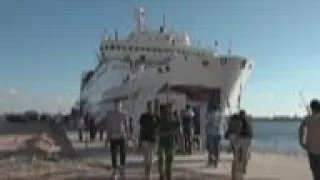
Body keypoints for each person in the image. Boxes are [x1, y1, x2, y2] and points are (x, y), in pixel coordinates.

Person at [98, 99, 130, 178]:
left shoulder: (124, 114)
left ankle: (122, 171)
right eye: (116, 105)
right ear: (113, 106)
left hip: (122, 137)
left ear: (121, 106)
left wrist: (128, 137)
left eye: (119, 105)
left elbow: (127, 126)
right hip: (113, 137)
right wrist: (107, 139)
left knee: (123, 154)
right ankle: (114, 171)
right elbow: (108, 127)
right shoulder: (110, 115)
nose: (117, 107)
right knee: (113, 155)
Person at [156, 103, 180, 180]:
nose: (170, 110)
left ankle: (168, 176)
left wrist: (179, 142)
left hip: (171, 144)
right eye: (168, 108)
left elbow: (179, 132)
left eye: (171, 109)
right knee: (161, 161)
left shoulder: (176, 121)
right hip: (162, 144)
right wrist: (168, 133)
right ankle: (162, 176)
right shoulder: (161, 120)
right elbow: (157, 132)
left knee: (169, 163)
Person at [299, 99, 320, 180]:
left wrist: (301, 142)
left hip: (311, 149)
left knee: (315, 171)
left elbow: (301, 129)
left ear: (312, 108)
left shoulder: (307, 119)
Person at [139, 101, 157, 180]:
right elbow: (141, 127)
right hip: (145, 139)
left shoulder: (156, 116)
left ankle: (148, 173)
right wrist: (140, 139)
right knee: (146, 158)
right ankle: (147, 174)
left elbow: (158, 128)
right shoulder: (143, 116)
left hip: (153, 139)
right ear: (147, 107)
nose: (150, 108)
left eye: (151, 107)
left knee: (151, 158)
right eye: (149, 107)